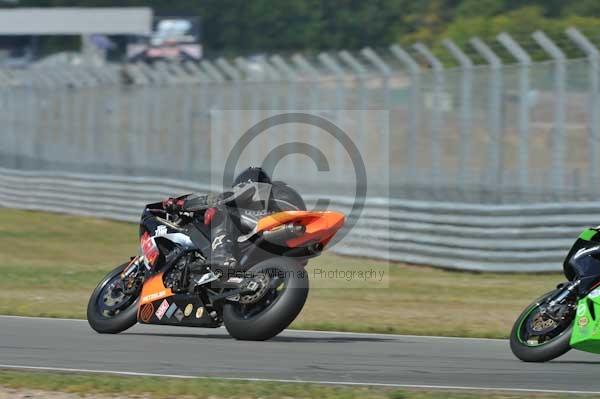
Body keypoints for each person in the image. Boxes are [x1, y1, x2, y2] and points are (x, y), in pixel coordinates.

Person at [161, 167, 277, 283]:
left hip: (258, 228)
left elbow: (214, 200)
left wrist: (181, 204)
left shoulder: (247, 193)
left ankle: (222, 255)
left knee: (220, 210)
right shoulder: (271, 202)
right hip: (259, 245)